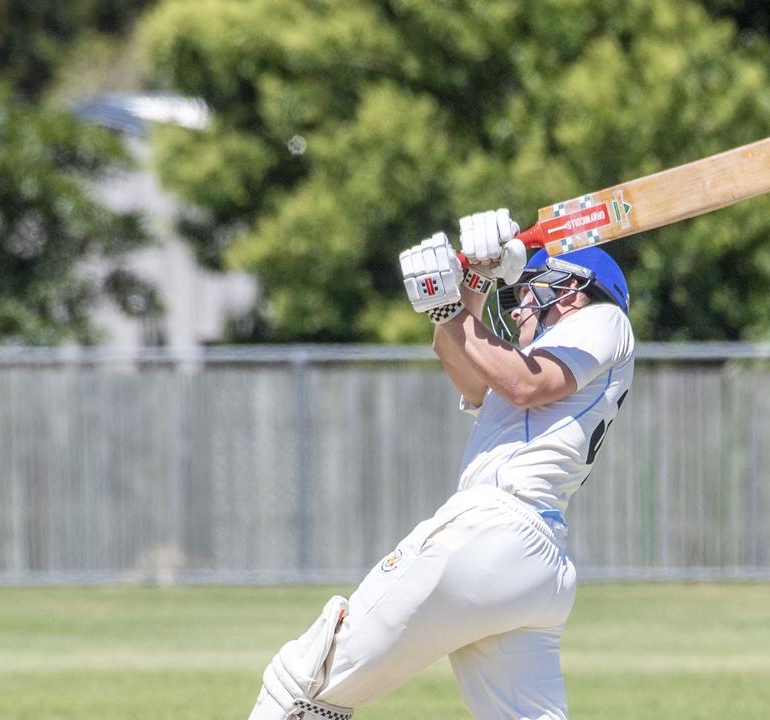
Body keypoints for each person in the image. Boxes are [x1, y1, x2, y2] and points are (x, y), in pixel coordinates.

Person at [248, 209, 635, 720]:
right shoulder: (544, 353)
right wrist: (466, 287)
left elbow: (525, 386)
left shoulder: (604, 319)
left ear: (570, 289)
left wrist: (458, 306)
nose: (516, 310)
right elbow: (468, 369)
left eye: (525, 294)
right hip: (533, 564)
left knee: (303, 681)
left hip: (494, 529)